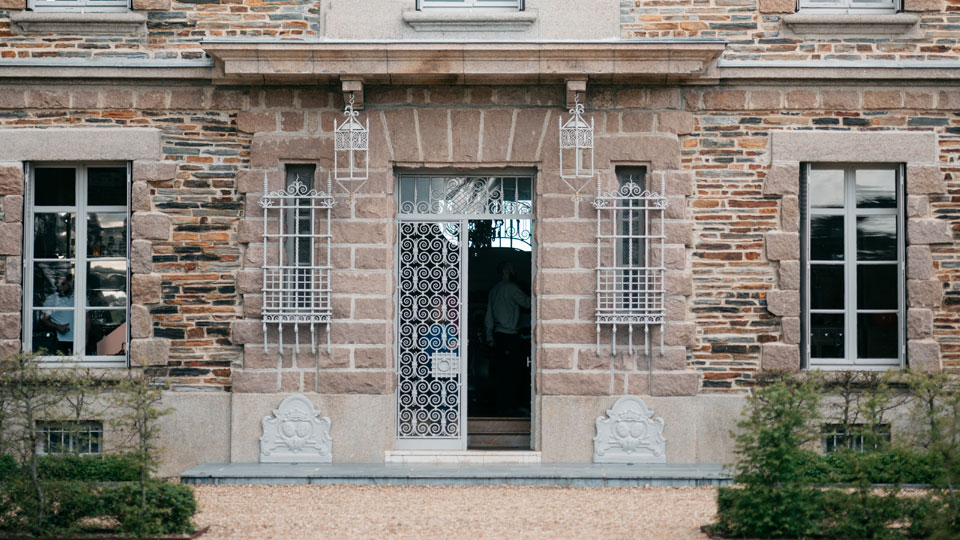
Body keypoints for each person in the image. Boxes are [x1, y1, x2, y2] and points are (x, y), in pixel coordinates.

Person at [484, 262, 531, 412]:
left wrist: (489, 337)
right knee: (513, 373)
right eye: (512, 269)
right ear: (506, 271)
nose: (514, 271)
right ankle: (510, 406)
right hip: (510, 337)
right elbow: (528, 303)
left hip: (498, 336)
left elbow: (488, 316)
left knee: (500, 372)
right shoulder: (511, 288)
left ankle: (500, 406)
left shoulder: (494, 290)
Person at [40, 274, 75, 355]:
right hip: (60, 340)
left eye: (63, 284)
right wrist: (58, 326)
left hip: (78, 339)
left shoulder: (79, 297)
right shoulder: (52, 299)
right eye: (58, 285)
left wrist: (86, 337)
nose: (59, 287)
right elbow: (44, 319)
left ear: (70, 283)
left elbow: (87, 318)